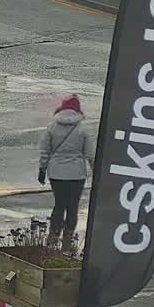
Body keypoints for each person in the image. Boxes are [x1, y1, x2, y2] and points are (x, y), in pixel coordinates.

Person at [37, 94, 94, 249]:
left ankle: (52, 239)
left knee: (59, 205)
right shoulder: (82, 129)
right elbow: (90, 154)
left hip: (56, 174)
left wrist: (42, 169)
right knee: (72, 208)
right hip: (76, 175)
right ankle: (67, 242)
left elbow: (45, 151)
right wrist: (96, 173)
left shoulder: (52, 128)